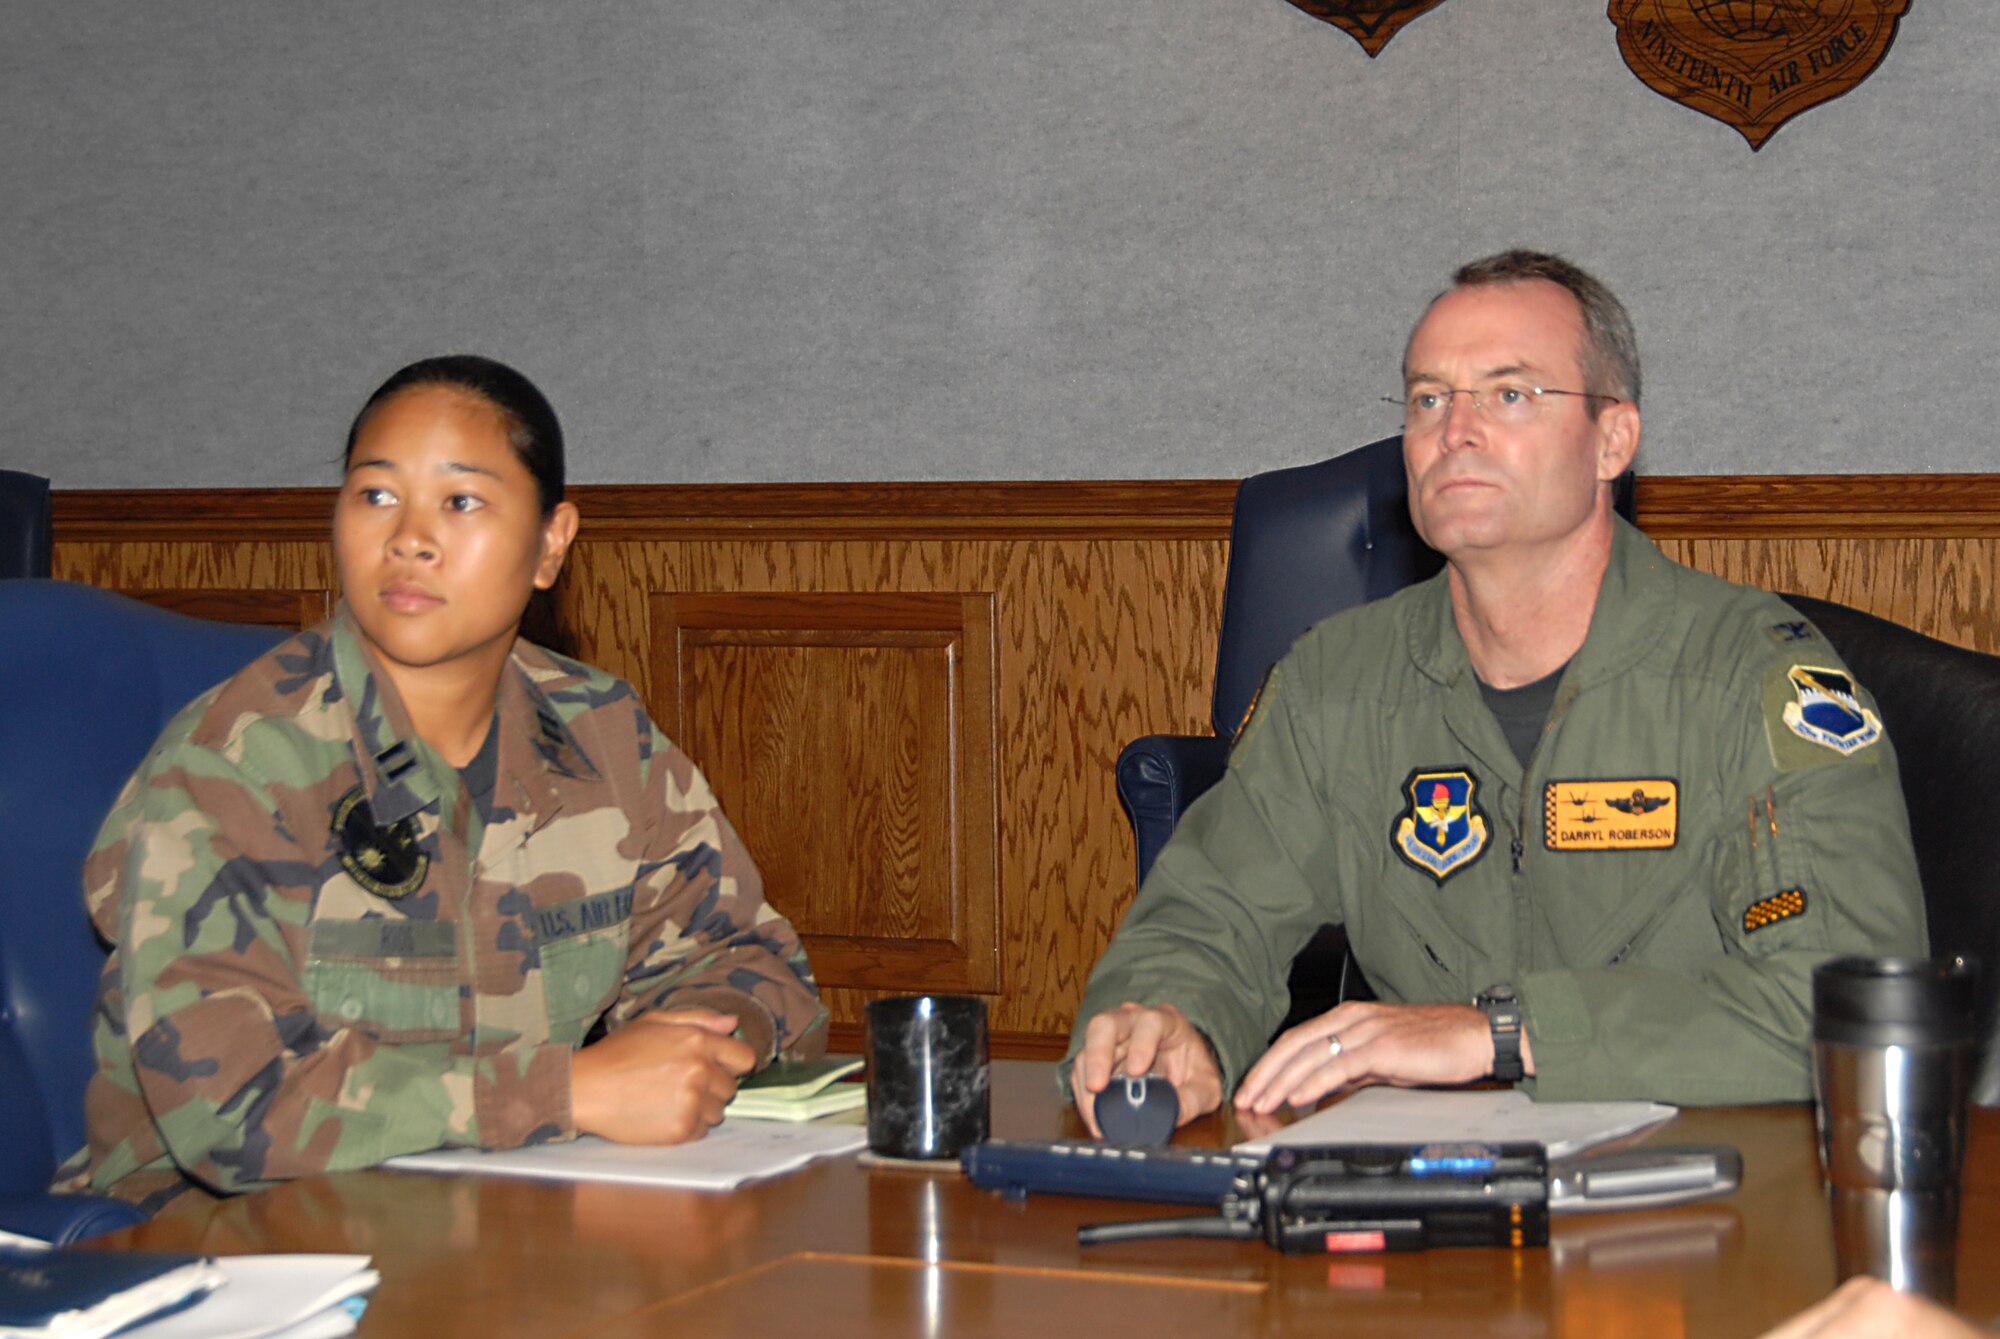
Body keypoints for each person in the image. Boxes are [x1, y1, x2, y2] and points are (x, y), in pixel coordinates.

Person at [1067, 250, 1925, 1133]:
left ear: (1613, 439)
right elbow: (1213, 916)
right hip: (1436, 1203)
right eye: (1428, 398)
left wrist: (1508, 1035)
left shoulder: (1753, 680)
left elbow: (1854, 1012)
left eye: (1509, 394)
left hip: (1720, 1201)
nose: (1456, 428)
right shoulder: (1339, 682)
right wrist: (1172, 1022)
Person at [57, 356, 827, 1210]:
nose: (408, 539)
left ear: (550, 543)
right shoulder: (235, 761)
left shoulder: (600, 732)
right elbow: (229, 1106)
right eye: (375, 496)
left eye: (460, 502)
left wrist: (702, 1044)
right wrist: (571, 1090)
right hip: (225, 1241)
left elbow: (755, 964)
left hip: (500, 1209)